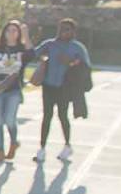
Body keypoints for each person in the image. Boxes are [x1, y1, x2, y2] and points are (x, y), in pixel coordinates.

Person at [32, 17, 91, 163]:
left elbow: (86, 66)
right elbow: (34, 54)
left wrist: (72, 62)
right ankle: (42, 148)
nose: (63, 32)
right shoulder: (50, 44)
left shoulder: (77, 47)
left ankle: (67, 145)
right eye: (61, 28)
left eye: (67, 29)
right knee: (47, 116)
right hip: (48, 85)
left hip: (65, 86)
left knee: (63, 116)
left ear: (73, 32)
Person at [0, 19, 35, 162]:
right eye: (8, 30)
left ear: (18, 33)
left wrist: (26, 35)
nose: (11, 33)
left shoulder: (21, 50)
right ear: (4, 33)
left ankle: (13, 142)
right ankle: (0, 151)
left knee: (10, 120)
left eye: (15, 31)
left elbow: (32, 54)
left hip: (14, 91)